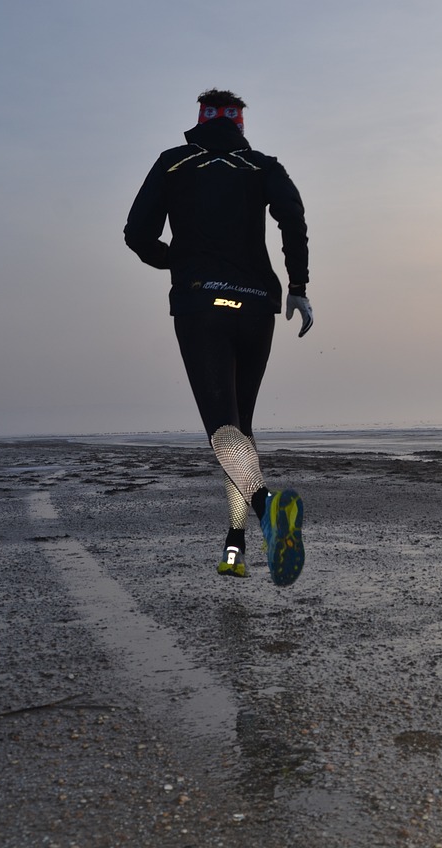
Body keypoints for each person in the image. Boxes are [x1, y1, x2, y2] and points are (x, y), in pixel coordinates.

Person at [124, 88, 312, 586]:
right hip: (255, 304)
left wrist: (179, 262)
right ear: (240, 123)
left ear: (201, 119)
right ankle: (235, 546)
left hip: (201, 301)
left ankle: (268, 507)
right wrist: (298, 287)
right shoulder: (264, 165)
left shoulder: (174, 163)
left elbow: (136, 233)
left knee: (223, 430)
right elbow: (293, 220)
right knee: (239, 430)